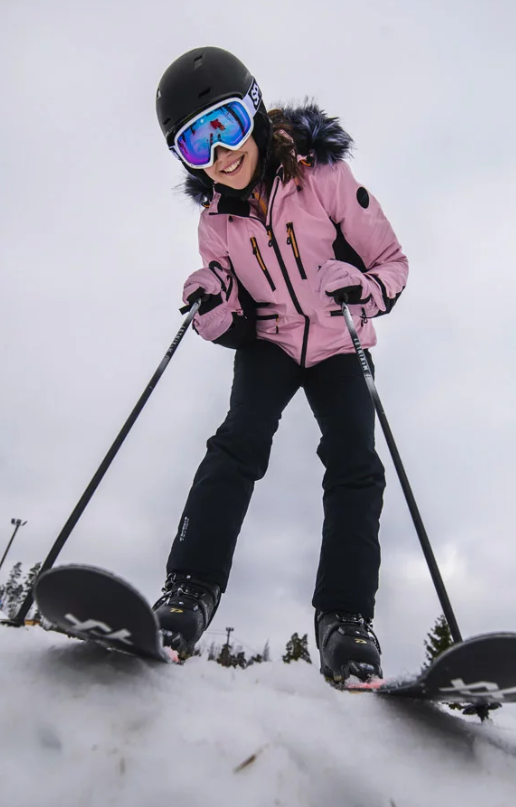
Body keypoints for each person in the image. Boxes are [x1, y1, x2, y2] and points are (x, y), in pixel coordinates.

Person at [152, 46, 408, 682]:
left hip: (334, 339)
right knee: (237, 445)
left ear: (255, 111)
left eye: (227, 128)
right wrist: (212, 306)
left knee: (355, 463)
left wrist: (362, 289)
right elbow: (231, 311)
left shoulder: (325, 178)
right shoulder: (216, 222)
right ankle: (188, 593)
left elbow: (392, 264)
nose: (219, 155)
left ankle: (345, 622)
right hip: (269, 341)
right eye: (195, 146)